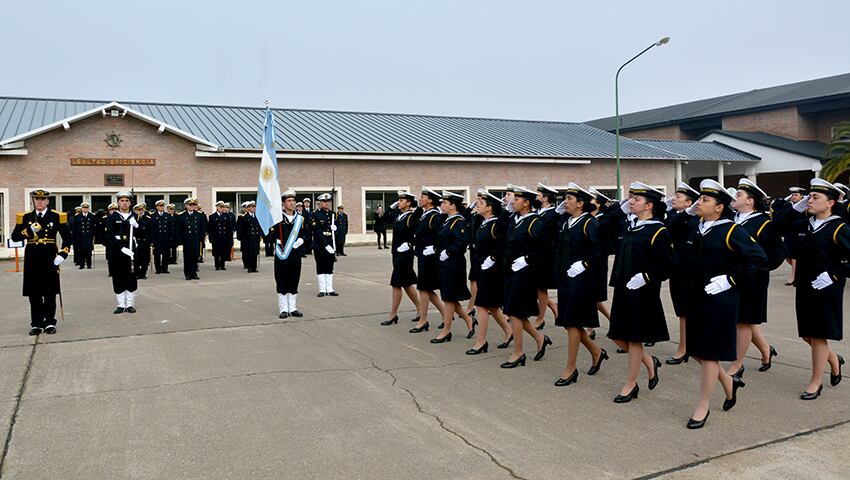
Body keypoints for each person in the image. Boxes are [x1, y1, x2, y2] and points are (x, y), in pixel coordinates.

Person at [682, 179, 768, 429]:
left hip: (719, 302)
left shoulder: (731, 230)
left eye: (705, 200)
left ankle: (703, 405)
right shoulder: (696, 227)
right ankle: (729, 384)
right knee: (697, 352)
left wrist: (731, 279)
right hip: (696, 298)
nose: (699, 203)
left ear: (719, 207)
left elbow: (758, 260)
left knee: (709, 354)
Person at [773, 178, 849, 400]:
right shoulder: (804, 224)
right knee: (807, 334)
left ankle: (816, 381)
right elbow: (777, 227)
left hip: (827, 287)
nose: (810, 200)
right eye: (809, 196)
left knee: (818, 335)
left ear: (830, 203)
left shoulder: (839, 228)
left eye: (816, 197)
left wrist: (834, 274)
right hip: (805, 285)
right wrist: (796, 208)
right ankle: (834, 360)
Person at [603, 183, 675, 401]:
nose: (630, 202)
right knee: (616, 335)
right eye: (630, 198)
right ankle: (649, 362)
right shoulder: (628, 225)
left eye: (636, 199)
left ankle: (631, 383)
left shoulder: (658, 230)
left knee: (634, 339)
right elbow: (602, 226)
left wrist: (646, 276)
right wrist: (619, 210)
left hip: (643, 292)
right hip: (624, 289)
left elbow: (668, 264)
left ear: (649, 205)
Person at [725, 179, 786, 378]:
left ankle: (737, 364)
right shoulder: (731, 219)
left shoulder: (762, 223)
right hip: (732, 278)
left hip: (752, 280)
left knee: (742, 321)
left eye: (739, 195)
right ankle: (766, 349)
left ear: (751, 201)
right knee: (744, 320)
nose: (735, 197)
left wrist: (758, 268)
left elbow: (777, 253)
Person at [552, 183, 607, 386]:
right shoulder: (567, 222)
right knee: (568, 322)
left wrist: (585, 264)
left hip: (582, 281)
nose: (565, 202)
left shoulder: (589, 223)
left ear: (581, 203)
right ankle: (596, 351)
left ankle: (570, 368)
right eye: (565, 198)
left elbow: (599, 250)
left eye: (569, 199)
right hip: (567, 279)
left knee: (573, 322)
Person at [500, 185, 552, 368]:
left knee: (514, 311)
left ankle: (518, 352)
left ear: (527, 203)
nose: (513, 202)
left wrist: (527, 259)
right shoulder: (517, 219)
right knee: (517, 312)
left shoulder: (534, 222)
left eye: (516, 200)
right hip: (512, 272)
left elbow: (544, 248)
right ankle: (540, 338)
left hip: (525, 273)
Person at [11, 189, 72, 335]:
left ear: (47, 201)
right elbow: (15, 237)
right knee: (34, 292)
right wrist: (28, 230)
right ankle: (37, 323)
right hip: (32, 257)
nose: (39, 201)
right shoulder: (25, 217)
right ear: (33, 201)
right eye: (37, 199)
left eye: (42, 199)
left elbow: (68, 238)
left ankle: (50, 321)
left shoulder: (57, 216)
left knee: (50, 291)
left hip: (50, 256)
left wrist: (63, 254)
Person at [466, 189, 513, 353]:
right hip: (482, 270)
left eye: (480, 204)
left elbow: (503, 245)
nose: (477, 205)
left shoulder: (495, 224)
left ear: (490, 207)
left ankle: (481, 341)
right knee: (492, 307)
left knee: (481, 305)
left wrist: (493, 258)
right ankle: (509, 332)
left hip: (492, 272)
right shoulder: (483, 223)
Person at [430, 191, 476, 343]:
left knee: (449, 298)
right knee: (451, 297)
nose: (441, 205)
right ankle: (469, 321)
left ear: (453, 206)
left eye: (444, 203)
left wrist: (448, 252)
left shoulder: (458, 222)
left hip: (453, 264)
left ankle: (446, 330)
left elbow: (462, 242)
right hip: (445, 263)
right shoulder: (447, 220)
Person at [664, 182, 701, 365]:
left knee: (689, 310)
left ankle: (685, 347)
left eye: (678, 197)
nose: (673, 199)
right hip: (677, 269)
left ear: (689, 203)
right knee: (682, 310)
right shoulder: (674, 216)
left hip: (691, 271)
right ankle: (686, 346)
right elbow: (669, 229)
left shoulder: (696, 219)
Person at [409, 188, 448, 333]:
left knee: (424, 288)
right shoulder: (424, 214)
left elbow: (442, 235)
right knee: (427, 289)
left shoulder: (434, 216)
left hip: (429, 257)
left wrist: (435, 248)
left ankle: (423, 320)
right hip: (422, 255)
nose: (420, 199)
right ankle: (446, 315)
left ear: (430, 200)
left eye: (422, 197)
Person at [380, 192, 422, 326]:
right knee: (407, 283)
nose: (399, 202)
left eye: (402, 200)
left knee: (396, 283)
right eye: (398, 200)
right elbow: (385, 218)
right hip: (396, 253)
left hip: (405, 254)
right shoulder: (399, 215)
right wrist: (391, 207)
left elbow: (419, 232)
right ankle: (421, 309)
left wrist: (410, 244)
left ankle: (393, 314)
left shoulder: (411, 216)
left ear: (409, 203)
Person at [584, 189, 615, 340]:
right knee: (593, 298)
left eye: (592, 200)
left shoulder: (603, 219)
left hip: (599, 262)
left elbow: (605, 243)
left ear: (597, 204)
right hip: (590, 262)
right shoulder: (589, 218)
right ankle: (609, 323)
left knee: (594, 298)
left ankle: (610, 323)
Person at [106, 191, 144, 313]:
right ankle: (121, 304)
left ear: (130, 203)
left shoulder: (136, 216)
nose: (124, 203)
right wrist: (121, 248)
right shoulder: (112, 217)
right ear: (118, 203)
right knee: (118, 276)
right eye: (122, 201)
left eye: (127, 201)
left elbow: (144, 234)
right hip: (117, 252)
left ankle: (130, 304)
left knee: (131, 276)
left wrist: (137, 226)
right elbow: (109, 237)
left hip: (132, 252)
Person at [273, 191, 309, 318]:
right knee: (281, 280)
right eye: (289, 201)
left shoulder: (301, 219)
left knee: (294, 279)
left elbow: (307, 233)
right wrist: (275, 238)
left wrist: (302, 240)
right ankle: (283, 309)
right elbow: (268, 233)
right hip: (281, 254)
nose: (292, 203)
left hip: (295, 254)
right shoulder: (277, 219)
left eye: (293, 201)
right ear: (283, 204)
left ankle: (292, 308)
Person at [533, 183, 560, 331]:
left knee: (541, 287)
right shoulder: (537, 211)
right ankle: (554, 308)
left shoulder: (552, 214)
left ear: (545, 198)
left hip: (546, 256)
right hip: (536, 255)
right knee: (536, 287)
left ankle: (540, 318)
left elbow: (546, 235)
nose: (536, 198)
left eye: (539, 195)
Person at [775, 186, 806, 286]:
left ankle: (793, 277)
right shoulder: (788, 206)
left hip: (798, 234)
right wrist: (786, 198)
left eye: (796, 195)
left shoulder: (805, 207)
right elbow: (775, 206)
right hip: (789, 234)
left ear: (802, 196)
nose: (793, 197)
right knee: (787, 255)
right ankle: (799, 272)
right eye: (792, 195)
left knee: (794, 256)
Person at [312, 193, 339, 296]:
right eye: (324, 201)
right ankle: (322, 289)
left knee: (329, 266)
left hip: (331, 244)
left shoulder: (333, 214)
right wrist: (325, 245)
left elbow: (334, 231)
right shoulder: (315, 214)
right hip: (319, 245)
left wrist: (335, 229)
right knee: (321, 266)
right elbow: (317, 231)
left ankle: (329, 288)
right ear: (320, 203)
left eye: (328, 201)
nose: (326, 203)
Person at [175, 198, 206, 280]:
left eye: (193, 205)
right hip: (187, 239)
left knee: (195, 256)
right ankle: (187, 273)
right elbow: (178, 229)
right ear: (186, 205)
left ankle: (194, 273)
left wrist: (202, 239)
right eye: (190, 205)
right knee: (188, 256)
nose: (192, 206)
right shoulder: (181, 215)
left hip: (196, 238)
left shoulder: (199, 215)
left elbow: (202, 228)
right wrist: (180, 240)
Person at [208, 200, 235, 270]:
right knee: (216, 252)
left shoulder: (227, 216)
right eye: (220, 207)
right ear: (217, 207)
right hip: (216, 237)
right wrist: (210, 237)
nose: (222, 208)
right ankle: (217, 265)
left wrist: (230, 237)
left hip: (224, 237)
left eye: (223, 207)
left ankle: (222, 265)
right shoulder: (212, 216)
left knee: (224, 251)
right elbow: (210, 228)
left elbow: (229, 228)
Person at [237, 200, 262, 273]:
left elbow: (259, 227)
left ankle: (254, 267)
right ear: (248, 208)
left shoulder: (257, 217)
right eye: (252, 207)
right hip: (248, 238)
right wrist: (242, 238)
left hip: (255, 237)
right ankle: (250, 267)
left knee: (255, 252)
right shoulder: (244, 217)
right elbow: (241, 229)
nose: (254, 208)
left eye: (254, 206)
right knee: (249, 253)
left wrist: (260, 235)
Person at [150, 200, 173, 274]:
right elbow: (152, 229)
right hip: (157, 238)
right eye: (160, 206)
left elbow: (170, 228)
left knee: (165, 254)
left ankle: (165, 268)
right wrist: (152, 240)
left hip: (165, 238)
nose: (162, 207)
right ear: (156, 207)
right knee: (157, 254)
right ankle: (158, 269)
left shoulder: (167, 216)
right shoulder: (153, 216)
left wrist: (170, 237)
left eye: (163, 206)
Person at [72, 202, 96, 269]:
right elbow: (75, 227)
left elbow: (94, 226)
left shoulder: (92, 216)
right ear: (82, 208)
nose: (85, 209)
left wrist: (93, 234)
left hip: (88, 236)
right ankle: (81, 265)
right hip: (80, 237)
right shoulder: (77, 217)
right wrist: (75, 236)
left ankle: (89, 265)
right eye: (84, 208)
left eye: (86, 208)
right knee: (81, 251)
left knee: (88, 251)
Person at [132, 203, 152, 279]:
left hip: (145, 241)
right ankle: (137, 273)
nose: (140, 211)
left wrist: (151, 241)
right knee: (136, 258)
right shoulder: (133, 218)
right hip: (136, 241)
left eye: (141, 209)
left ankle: (143, 273)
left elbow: (150, 231)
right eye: (138, 210)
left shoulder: (147, 218)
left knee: (145, 259)